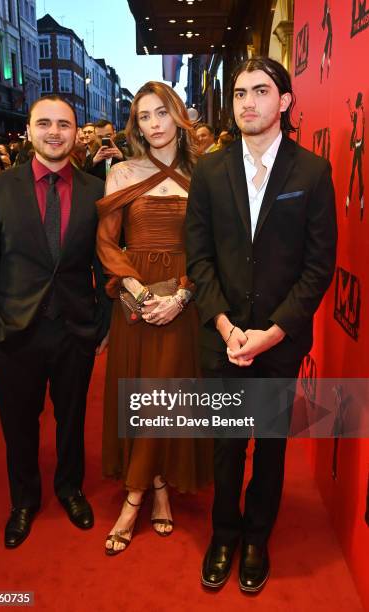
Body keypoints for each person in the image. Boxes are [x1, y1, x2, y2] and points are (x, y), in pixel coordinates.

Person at [186, 57, 337, 593]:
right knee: (226, 444)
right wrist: (228, 329)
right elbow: (198, 260)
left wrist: (272, 332)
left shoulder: (312, 173)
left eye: (261, 91)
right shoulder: (208, 170)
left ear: (285, 101)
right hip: (223, 338)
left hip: (278, 342)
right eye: (240, 93)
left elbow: (318, 268)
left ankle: (257, 537)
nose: (248, 101)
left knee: (270, 445)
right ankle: (224, 532)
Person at [0, 94, 110, 549]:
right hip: (13, 330)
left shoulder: (94, 190)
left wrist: (102, 322)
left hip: (75, 327)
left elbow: (103, 263)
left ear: (75, 131)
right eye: (44, 123)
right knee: (18, 422)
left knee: (72, 418)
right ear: (29, 130)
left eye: (64, 124)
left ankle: (70, 489)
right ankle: (24, 501)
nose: (54, 132)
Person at [96, 81, 212, 555]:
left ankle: (136, 495)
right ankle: (154, 486)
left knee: (168, 393)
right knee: (142, 392)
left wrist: (181, 296)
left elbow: (209, 246)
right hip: (136, 299)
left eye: (160, 113)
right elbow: (106, 242)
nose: (153, 124)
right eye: (143, 117)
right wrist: (135, 288)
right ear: (136, 125)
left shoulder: (203, 173)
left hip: (184, 298)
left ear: (177, 115)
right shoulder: (121, 172)